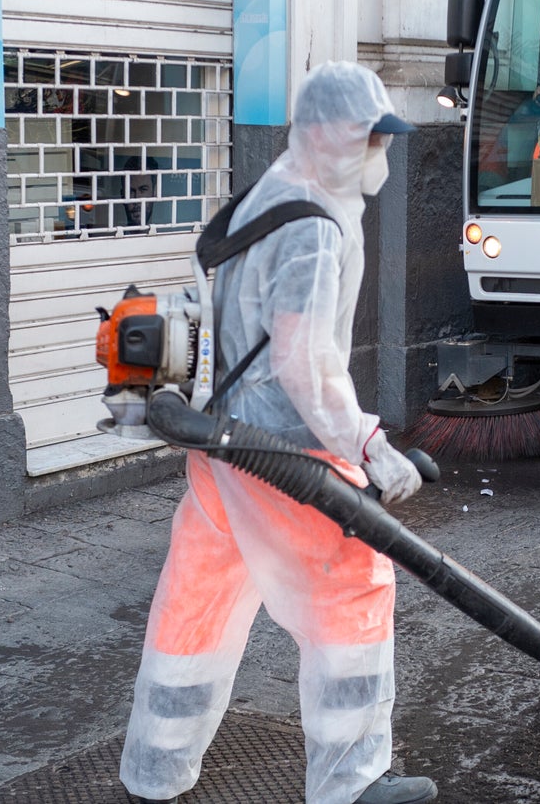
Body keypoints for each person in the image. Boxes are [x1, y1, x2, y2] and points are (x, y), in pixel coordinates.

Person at [119, 61, 436, 804]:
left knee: (196, 600)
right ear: (325, 134)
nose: (379, 154)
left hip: (220, 450)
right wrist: (369, 445)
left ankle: (155, 768)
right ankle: (353, 782)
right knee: (350, 592)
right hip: (286, 453)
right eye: (369, 137)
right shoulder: (314, 230)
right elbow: (303, 361)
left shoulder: (255, 204)